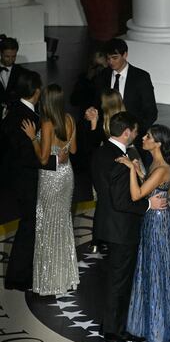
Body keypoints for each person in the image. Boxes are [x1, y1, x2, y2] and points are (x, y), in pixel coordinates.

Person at [91, 112, 166, 342]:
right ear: (126, 133)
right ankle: (115, 330)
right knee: (120, 282)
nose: (137, 134)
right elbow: (122, 201)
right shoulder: (120, 162)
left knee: (115, 280)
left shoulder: (100, 152)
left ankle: (110, 325)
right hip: (122, 231)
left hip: (107, 226)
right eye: (134, 131)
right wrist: (148, 205)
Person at [116, 124, 170, 342]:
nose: (143, 138)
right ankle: (151, 324)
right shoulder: (155, 163)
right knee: (150, 270)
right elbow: (151, 188)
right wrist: (141, 171)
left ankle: (155, 329)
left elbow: (137, 195)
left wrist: (132, 170)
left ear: (158, 143)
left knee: (155, 272)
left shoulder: (162, 168)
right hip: (153, 221)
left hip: (158, 225)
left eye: (148, 136)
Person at [2, 70, 62, 291]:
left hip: (17, 181)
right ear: (37, 92)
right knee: (28, 227)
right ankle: (18, 278)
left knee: (30, 227)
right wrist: (57, 163)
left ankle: (24, 273)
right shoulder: (27, 119)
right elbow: (28, 157)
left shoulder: (14, 112)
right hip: (26, 182)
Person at [23, 84, 80, 295]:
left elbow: (44, 158)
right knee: (62, 224)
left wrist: (32, 138)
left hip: (50, 179)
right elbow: (73, 150)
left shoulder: (47, 124)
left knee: (47, 226)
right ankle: (65, 278)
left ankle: (49, 281)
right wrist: (61, 150)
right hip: (66, 175)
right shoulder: (70, 119)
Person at [94, 38, 157, 157]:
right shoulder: (102, 76)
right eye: (108, 58)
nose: (111, 62)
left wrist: (134, 134)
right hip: (108, 141)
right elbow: (98, 105)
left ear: (125, 55)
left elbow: (151, 112)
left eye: (115, 57)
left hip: (134, 142)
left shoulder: (141, 77)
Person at [85, 89, 126, 253]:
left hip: (104, 169)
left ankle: (98, 240)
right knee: (110, 202)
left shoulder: (106, 122)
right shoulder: (124, 120)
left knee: (103, 203)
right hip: (115, 168)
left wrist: (94, 123)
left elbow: (91, 145)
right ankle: (103, 238)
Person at [0, 36, 27, 118]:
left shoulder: (21, 72)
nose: (11, 60)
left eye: (14, 56)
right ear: (1, 53)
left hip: (14, 115)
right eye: (7, 56)